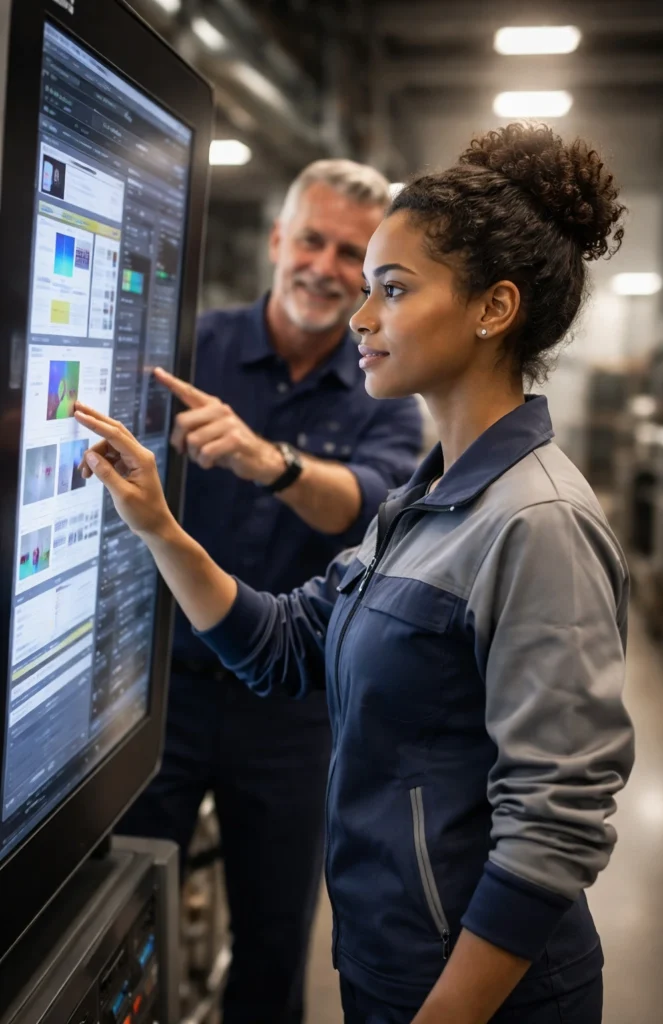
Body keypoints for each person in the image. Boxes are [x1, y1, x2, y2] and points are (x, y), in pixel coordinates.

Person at [78, 123, 635, 1024]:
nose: (359, 316)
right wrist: (158, 524)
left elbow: (553, 825)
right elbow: (290, 641)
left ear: (493, 309)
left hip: (477, 996)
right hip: (393, 964)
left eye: (390, 289)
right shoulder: (431, 495)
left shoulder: (537, 523)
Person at [116, 159, 423, 1024]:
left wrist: (268, 460)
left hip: (292, 715)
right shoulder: (190, 346)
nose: (325, 267)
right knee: (116, 911)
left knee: (274, 941)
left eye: (351, 254)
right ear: (279, 240)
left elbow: (368, 501)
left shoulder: (384, 386)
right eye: (313, 240)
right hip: (157, 693)